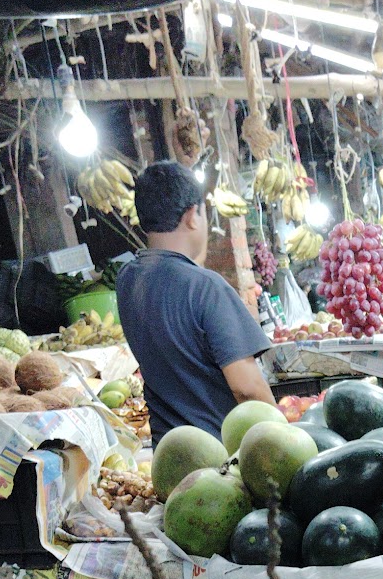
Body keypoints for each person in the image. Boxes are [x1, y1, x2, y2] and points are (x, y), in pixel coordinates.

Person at [115, 160, 275, 440]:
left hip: (169, 450)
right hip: (218, 453)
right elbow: (247, 388)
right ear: (192, 215)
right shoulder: (206, 287)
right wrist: (284, 435)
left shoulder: (127, 279)